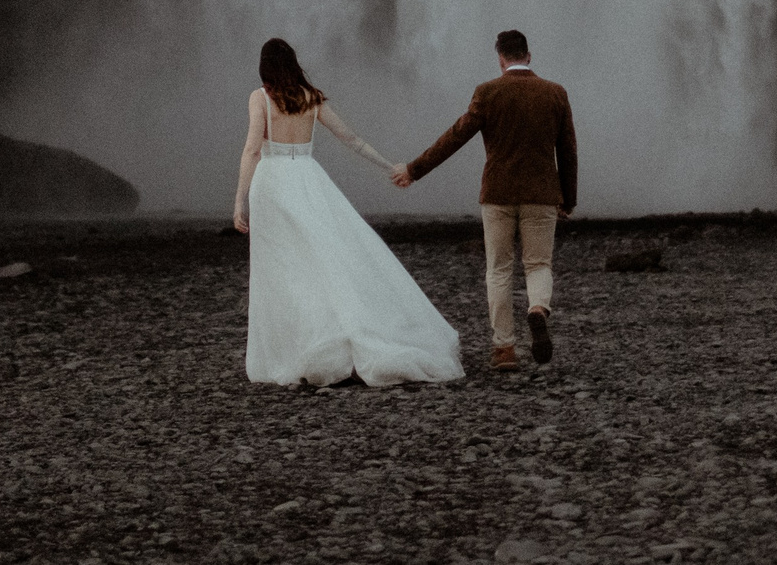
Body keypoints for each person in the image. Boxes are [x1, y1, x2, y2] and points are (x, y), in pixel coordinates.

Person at [234, 37, 464, 386]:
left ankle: (298, 350)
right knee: (322, 260)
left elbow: (252, 150)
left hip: (273, 183)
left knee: (283, 269)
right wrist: (390, 166)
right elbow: (352, 139)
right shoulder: (312, 98)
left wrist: (239, 201)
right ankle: (335, 339)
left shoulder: (260, 98)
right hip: (309, 179)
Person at [392, 28, 577, 371]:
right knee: (538, 264)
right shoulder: (555, 93)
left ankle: (504, 349)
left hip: (498, 195)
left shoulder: (488, 92)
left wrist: (415, 170)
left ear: (501, 58)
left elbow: (455, 137)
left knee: (499, 269)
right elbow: (567, 150)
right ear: (529, 56)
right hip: (541, 194)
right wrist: (569, 197)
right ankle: (537, 309)